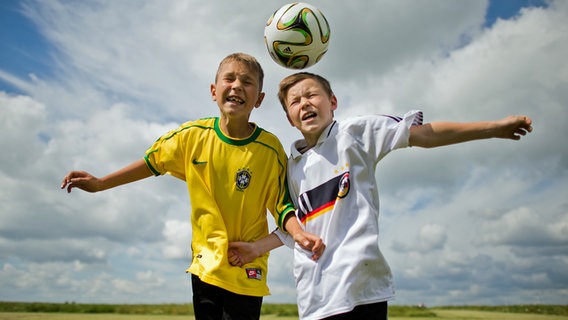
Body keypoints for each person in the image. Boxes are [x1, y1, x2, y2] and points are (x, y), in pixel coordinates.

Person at [227, 72, 533, 320]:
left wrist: (494, 128)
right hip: (314, 296)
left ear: (332, 102)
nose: (304, 103)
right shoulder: (292, 167)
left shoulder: (354, 133)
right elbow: (292, 229)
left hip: (362, 288)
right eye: (295, 101)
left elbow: (423, 135)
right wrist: (255, 249)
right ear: (290, 119)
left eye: (312, 95)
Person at [60, 54, 324, 320]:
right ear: (213, 90)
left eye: (247, 81)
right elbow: (151, 163)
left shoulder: (270, 149)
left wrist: (298, 233)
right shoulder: (191, 136)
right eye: (229, 78)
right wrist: (100, 183)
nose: (236, 86)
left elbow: (282, 206)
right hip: (206, 265)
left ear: (259, 99)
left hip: (247, 265)